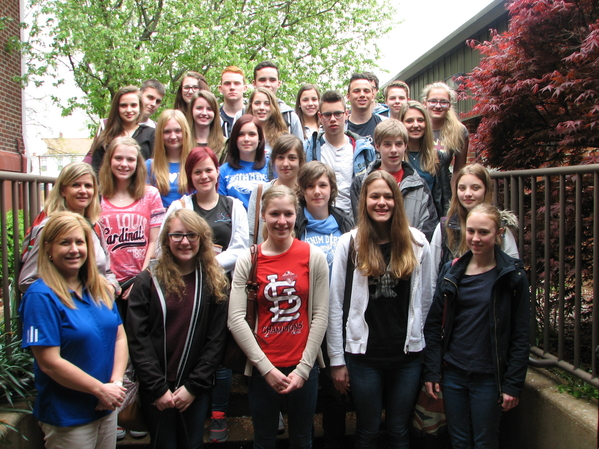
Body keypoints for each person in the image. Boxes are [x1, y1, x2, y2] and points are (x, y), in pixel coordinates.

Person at [327, 170, 433, 449]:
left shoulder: (418, 242)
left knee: (399, 430)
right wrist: (336, 360)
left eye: (388, 196)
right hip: (364, 357)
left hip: (407, 357)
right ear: (364, 201)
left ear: (397, 200)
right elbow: (335, 304)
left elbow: (426, 299)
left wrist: (422, 344)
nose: (381, 202)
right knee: (368, 429)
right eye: (375, 196)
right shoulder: (350, 243)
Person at [228, 185, 329, 449]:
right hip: (263, 368)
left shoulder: (313, 256)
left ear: (297, 215)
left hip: (303, 367)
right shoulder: (249, 259)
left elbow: (320, 315)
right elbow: (235, 319)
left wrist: (304, 369)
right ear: (263, 215)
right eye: (274, 214)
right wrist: (266, 369)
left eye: (288, 214)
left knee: (302, 440)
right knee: (264, 440)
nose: (282, 221)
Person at [423, 203, 530, 449]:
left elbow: (521, 334)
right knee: (458, 440)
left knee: (485, 441)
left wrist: (513, 384)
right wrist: (432, 370)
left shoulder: (512, 276)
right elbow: (434, 324)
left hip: (489, 377)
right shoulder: (452, 272)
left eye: (484, 232)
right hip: (453, 373)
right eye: (471, 231)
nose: (475, 238)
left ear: (499, 234)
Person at [162, 146, 248, 443]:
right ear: (190, 175)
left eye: (209, 170)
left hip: (221, 289)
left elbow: (240, 249)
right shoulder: (181, 206)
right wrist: (197, 263)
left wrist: (206, 262)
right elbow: (166, 243)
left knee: (219, 352)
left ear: (217, 171)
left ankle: (219, 413)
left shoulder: (233, 205)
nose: (204, 176)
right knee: (194, 349)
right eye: (197, 171)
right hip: (187, 289)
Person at [20, 211, 128, 448]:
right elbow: (49, 362)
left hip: (107, 405)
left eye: (80, 242)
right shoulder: (40, 296)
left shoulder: (99, 287)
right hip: (69, 416)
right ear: (48, 248)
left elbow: (119, 336)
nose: (74, 249)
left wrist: (116, 384)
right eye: (64, 242)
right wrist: (100, 390)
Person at [127, 209, 229, 449]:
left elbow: (216, 340)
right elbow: (138, 338)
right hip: (156, 389)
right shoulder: (147, 280)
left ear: (202, 239)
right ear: (166, 239)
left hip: (194, 389)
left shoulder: (214, 281)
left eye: (192, 235)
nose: (185, 241)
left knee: (192, 444)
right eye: (177, 235)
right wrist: (157, 388)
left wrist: (193, 387)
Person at [295, 161, 353, 449]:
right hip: (303, 317)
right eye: (310, 186)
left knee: (335, 389)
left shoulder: (345, 224)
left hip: (337, 317)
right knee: (304, 389)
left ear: (332, 189)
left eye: (322, 185)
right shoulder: (294, 223)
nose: (317, 191)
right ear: (302, 191)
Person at [18, 162, 119, 295]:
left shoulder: (95, 226)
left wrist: (112, 286)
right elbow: (27, 281)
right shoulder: (50, 227)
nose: (83, 191)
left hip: (98, 303)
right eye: (76, 185)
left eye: (88, 186)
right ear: (63, 190)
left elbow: (107, 271)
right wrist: (74, 294)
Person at [429, 163, 520, 288]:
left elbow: (513, 272)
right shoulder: (444, 228)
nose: (467, 193)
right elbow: (431, 277)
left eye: (475, 188)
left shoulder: (501, 228)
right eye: (462, 188)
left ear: (486, 190)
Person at [99, 136, 165, 304]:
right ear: (109, 160)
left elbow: (155, 241)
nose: (124, 164)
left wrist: (141, 279)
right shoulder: (98, 197)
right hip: (105, 283)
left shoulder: (151, 195)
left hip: (141, 281)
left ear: (138, 163)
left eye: (130, 159)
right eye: (118, 158)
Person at [350, 119, 438, 240]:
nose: (393, 150)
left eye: (398, 144)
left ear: (405, 146)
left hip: (410, 248)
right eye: (387, 144)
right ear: (377, 146)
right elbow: (358, 222)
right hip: (373, 247)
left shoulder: (419, 185)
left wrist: (410, 244)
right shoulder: (361, 183)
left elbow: (428, 224)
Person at [305, 90, 376, 220]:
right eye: (327, 115)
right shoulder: (309, 148)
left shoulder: (363, 149)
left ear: (346, 114)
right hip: (319, 220)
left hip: (355, 219)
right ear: (320, 117)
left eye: (338, 114)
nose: (333, 119)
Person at [248, 134, 306, 245]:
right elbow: (250, 232)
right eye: (280, 157)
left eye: (292, 158)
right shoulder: (260, 191)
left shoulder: (306, 193)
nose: (285, 164)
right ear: (273, 160)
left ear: (300, 161)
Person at [399, 100, 452, 218]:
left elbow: (445, 198)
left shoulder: (437, 157)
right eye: (409, 121)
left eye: (420, 120)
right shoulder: (393, 156)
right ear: (401, 123)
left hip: (429, 221)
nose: (416, 125)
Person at [233, 61, 304, 142]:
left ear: (278, 83)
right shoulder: (241, 115)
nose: (267, 84)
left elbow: (299, 148)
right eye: (262, 80)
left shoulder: (289, 117)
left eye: (272, 80)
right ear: (254, 83)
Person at [90, 86, 155, 174]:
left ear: (140, 107)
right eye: (123, 105)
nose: (129, 110)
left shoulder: (151, 134)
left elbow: (157, 168)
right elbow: (96, 170)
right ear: (117, 108)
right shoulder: (105, 136)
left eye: (133, 105)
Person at [218, 114, 269, 210]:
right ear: (235, 139)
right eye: (241, 134)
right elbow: (221, 207)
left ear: (259, 138)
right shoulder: (223, 171)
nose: (246, 139)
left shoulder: (272, 167)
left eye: (252, 134)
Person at [421, 81, 468, 181]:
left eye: (443, 102)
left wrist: (454, 190)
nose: (438, 106)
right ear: (425, 103)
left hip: (443, 186)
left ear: (449, 105)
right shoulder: (416, 127)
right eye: (433, 101)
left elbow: (459, 170)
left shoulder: (459, 131)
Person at [146, 109, 194, 208]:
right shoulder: (149, 166)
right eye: (167, 132)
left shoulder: (194, 164)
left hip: (190, 216)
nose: (173, 136)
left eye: (178, 131)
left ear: (185, 132)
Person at [346, 73, 386, 144]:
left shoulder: (385, 124)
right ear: (348, 96)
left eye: (366, 91)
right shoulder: (340, 127)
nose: (362, 95)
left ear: (372, 96)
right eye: (356, 91)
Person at [246, 87, 289, 153]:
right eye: (257, 103)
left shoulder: (283, 137)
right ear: (251, 106)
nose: (262, 108)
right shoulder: (243, 134)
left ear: (273, 107)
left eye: (267, 103)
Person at [187, 91, 226, 161]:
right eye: (199, 108)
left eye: (209, 109)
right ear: (191, 110)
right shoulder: (183, 142)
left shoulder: (225, 144)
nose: (204, 113)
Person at [219, 66, 248, 138]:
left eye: (237, 83)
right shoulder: (214, 117)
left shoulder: (253, 115)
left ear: (245, 88)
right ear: (220, 89)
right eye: (227, 83)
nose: (232, 87)